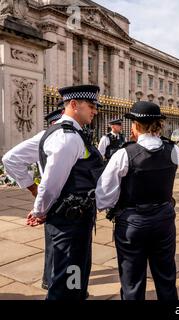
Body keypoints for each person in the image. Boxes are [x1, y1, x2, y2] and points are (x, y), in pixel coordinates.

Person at [26, 85, 104, 300]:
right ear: (73, 105)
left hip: (74, 217)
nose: (95, 111)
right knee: (68, 278)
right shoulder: (67, 137)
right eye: (91, 106)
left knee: (75, 271)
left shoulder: (62, 132)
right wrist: (39, 210)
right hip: (70, 220)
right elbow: (51, 184)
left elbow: (14, 159)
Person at [96, 101, 179, 301]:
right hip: (164, 219)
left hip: (133, 221)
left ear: (135, 125)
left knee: (132, 279)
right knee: (166, 276)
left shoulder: (124, 154)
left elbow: (104, 195)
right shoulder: (172, 150)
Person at [1, 104, 64, 290]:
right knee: (60, 247)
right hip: (58, 199)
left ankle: (58, 283)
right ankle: (59, 286)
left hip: (66, 200)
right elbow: (10, 159)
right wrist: (34, 189)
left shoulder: (73, 136)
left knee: (60, 246)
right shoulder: (49, 137)